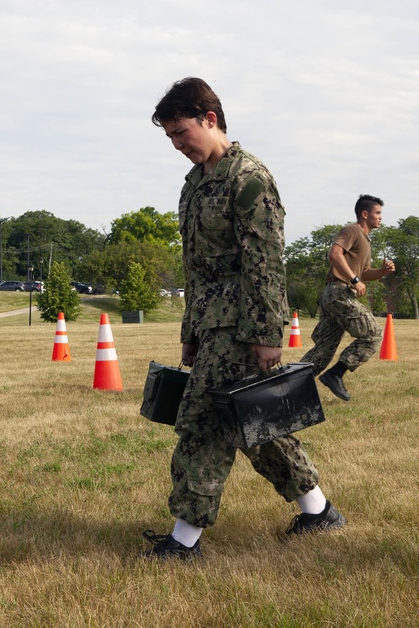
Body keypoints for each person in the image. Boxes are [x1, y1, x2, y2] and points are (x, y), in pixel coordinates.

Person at [142, 77, 344, 560]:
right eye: (169, 137)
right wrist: (190, 331)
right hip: (211, 325)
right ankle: (318, 511)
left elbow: (266, 262)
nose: (176, 145)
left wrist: (266, 333)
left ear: (209, 119)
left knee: (203, 425)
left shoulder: (248, 178)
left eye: (181, 133)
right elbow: (197, 268)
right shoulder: (194, 185)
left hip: (242, 325)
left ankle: (184, 540)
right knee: (254, 423)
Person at [299, 195, 395, 401]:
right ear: (365, 214)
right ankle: (335, 375)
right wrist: (354, 279)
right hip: (339, 293)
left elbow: (365, 272)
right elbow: (334, 254)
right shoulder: (352, 231)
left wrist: (382, 272)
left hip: (337, 294)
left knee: (322, 352)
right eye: (378, 213)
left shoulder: (366, 240)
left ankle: (288, 390)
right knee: (373, 334)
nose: (381, 218)